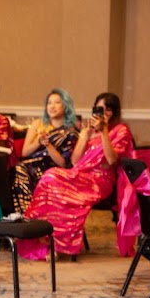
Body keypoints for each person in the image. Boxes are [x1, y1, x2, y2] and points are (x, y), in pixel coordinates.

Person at [21, 92, 134, 258]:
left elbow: (111, 160)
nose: (103, 113)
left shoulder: (120, 131)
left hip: (100, 181)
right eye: (99, 109)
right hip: (79, 175)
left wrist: (103, 132)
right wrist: (85, 137)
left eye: (108, 109)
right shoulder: (88, 131)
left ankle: (59, 244)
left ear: (114, 112)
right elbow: (74, 161)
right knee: (50, 178)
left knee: (52, 177)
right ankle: (45, 238)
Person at [12, 88, 79, 213]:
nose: (52, 106)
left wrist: (48, 145)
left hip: (52, 169)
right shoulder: (38, 124)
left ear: (65, 106)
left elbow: (63, 163)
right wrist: (39, 141)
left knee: (20, 169)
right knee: (18, 168)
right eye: (49, 103)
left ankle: (29, 213)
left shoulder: (71, 132)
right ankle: (26, 213)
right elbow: (25, 152)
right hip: (31, 165)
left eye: (57, 103)